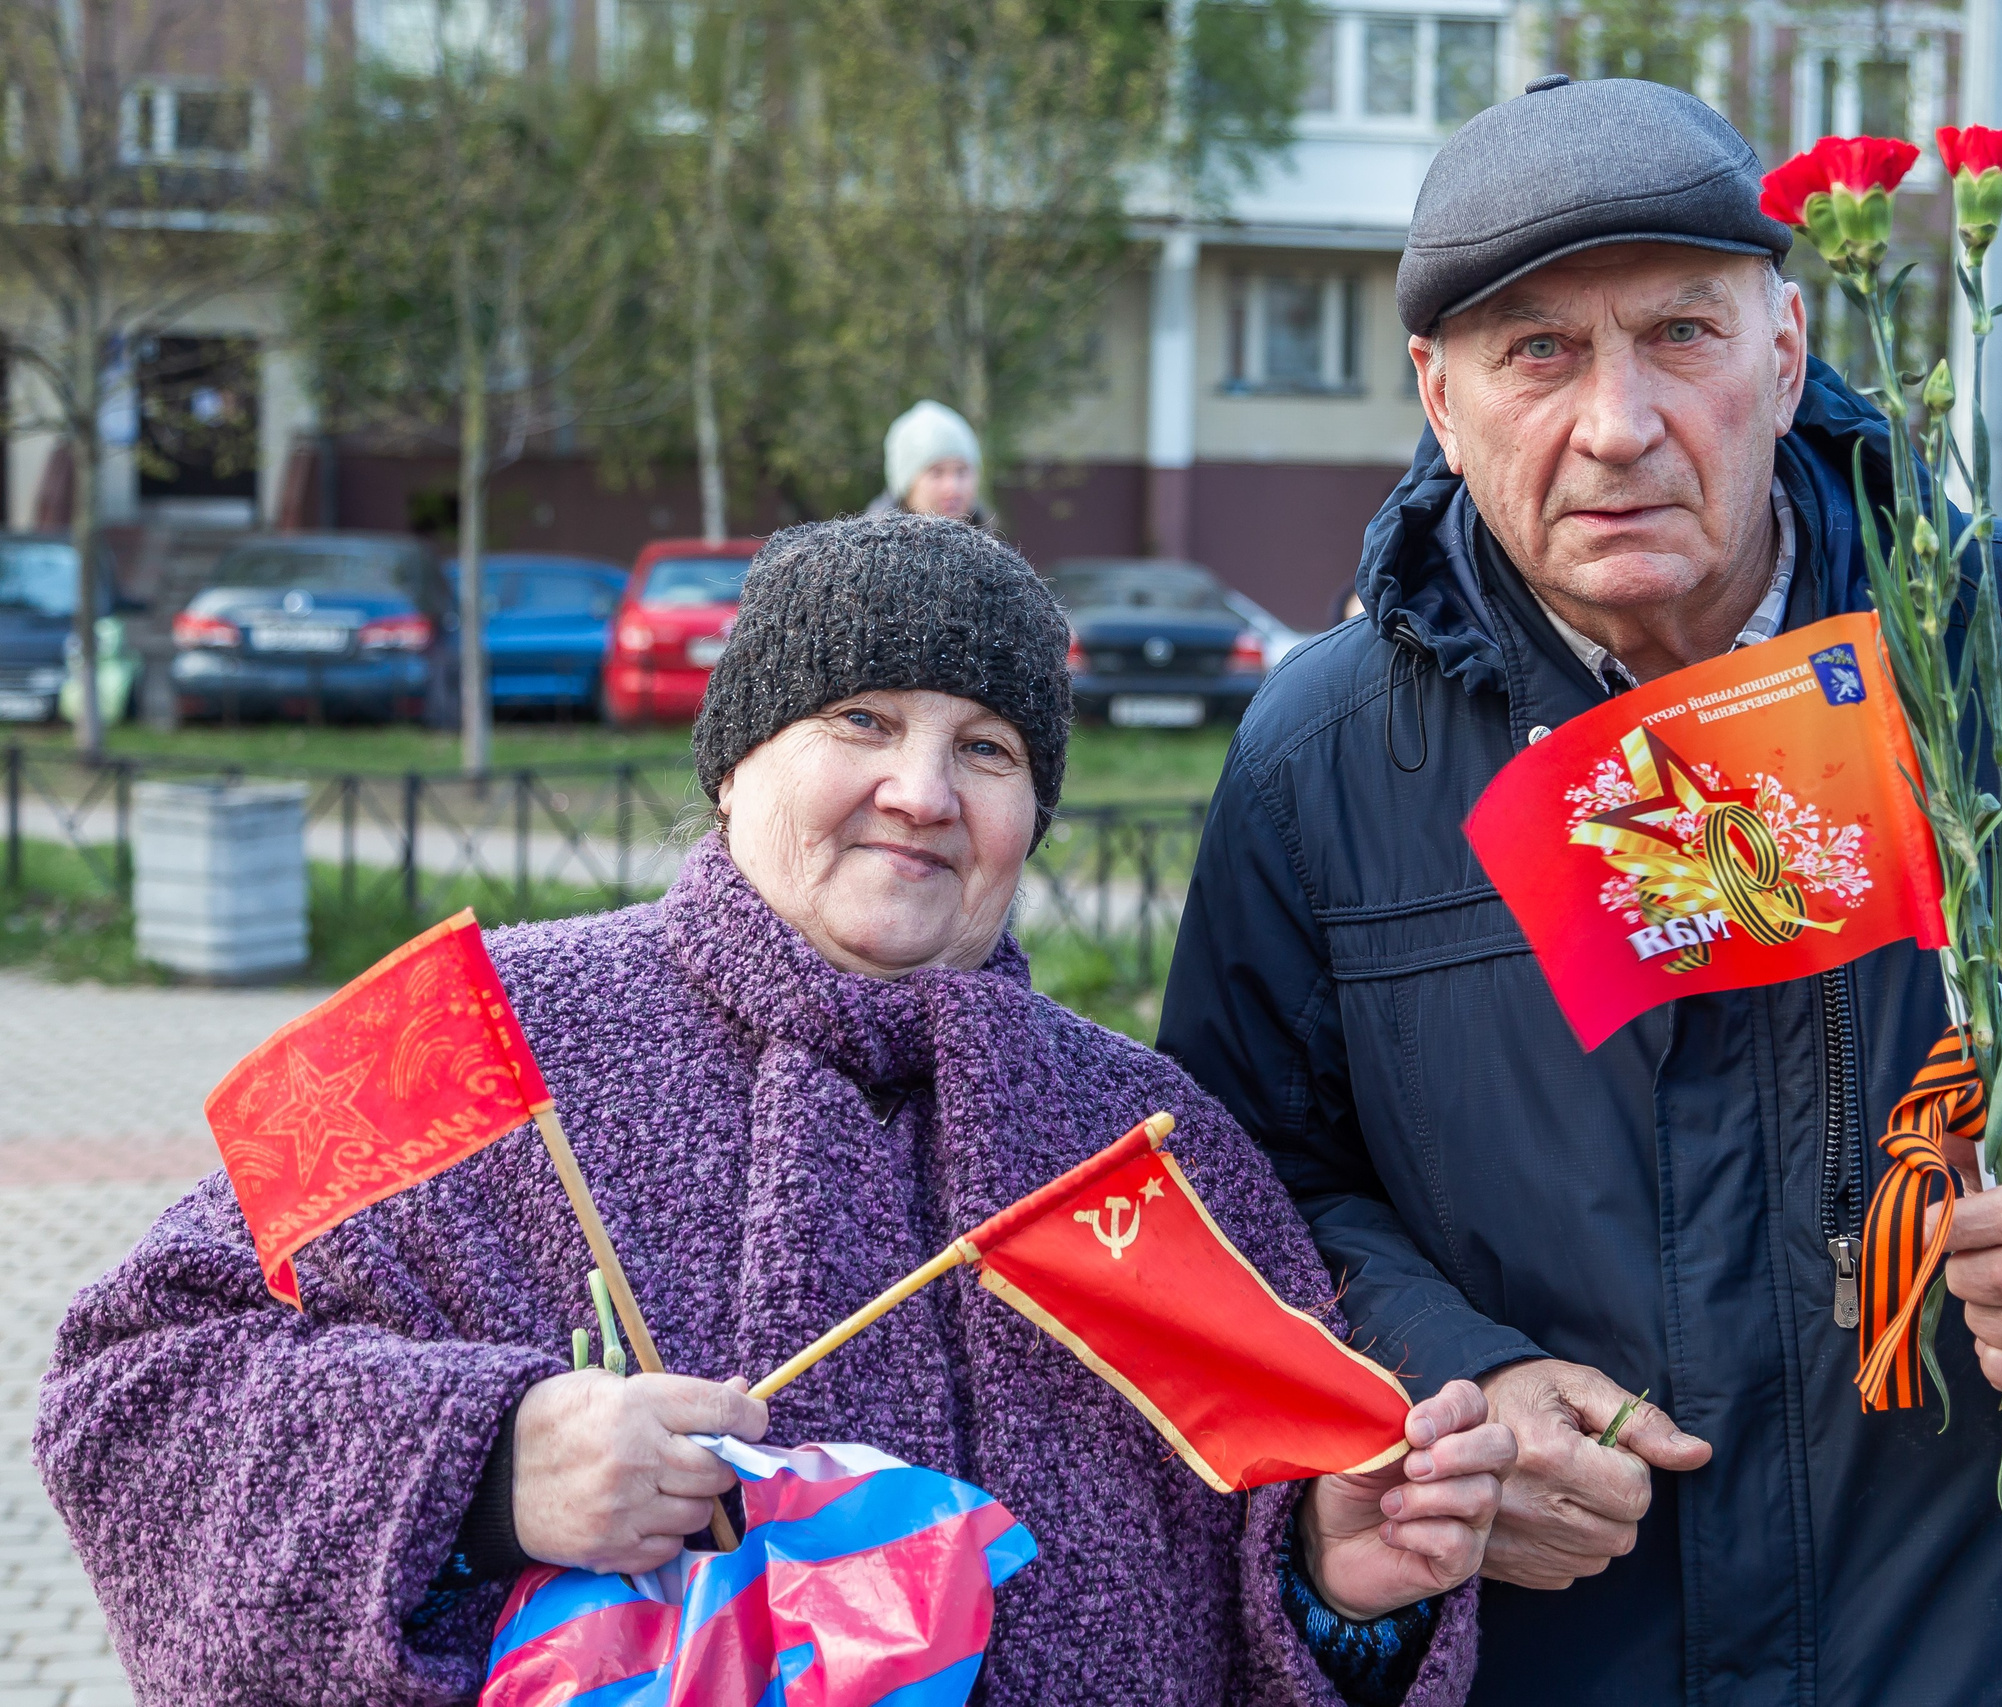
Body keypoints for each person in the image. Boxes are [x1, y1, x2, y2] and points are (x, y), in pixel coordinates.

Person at [1158, 76, 2002, 1707]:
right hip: (1563, 1654)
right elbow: (1244, 1203)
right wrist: (1448, 1379)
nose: (1615, 423)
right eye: (1535, 350)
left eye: (1679, 332)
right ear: (1438, 395)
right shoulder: (1321, 762)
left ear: (1788, 346)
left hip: (2001, 1652)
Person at [36, 514, 1515, 1706]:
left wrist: (1337, 1592)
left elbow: (1276, 1552)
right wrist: (489, 1460)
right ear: (736, 760)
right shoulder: (498, 1036)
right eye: (862, 718)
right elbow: (133, 1387)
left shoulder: (1143, 1143)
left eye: (986, 748)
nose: (922, 790)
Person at [869, 399, 987, 524]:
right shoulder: (867, 542)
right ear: (907, 484)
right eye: (937, 472)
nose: (952, 487)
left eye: (961, 471)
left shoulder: (995, 539)